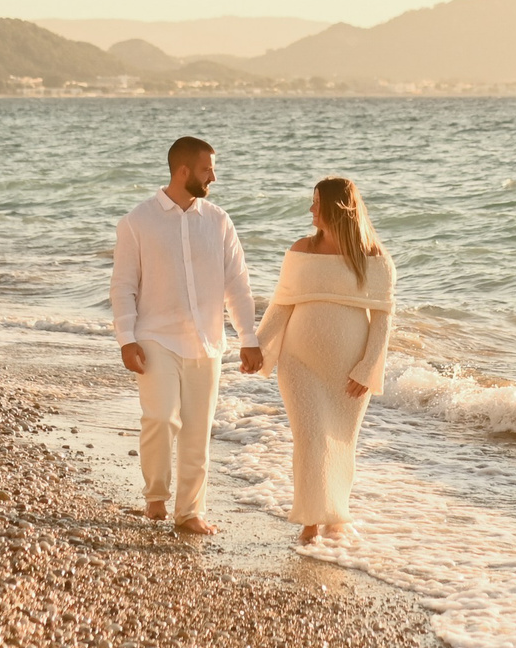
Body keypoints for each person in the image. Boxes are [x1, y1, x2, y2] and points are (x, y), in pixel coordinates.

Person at [109, 135, 262, 536]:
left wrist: (250, 337)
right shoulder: (137, 222)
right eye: (207, 168)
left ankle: (189, 512)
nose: (214, 175)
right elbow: (123, 286)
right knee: (160, 417)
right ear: (183, 171)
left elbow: (238, 285)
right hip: (155, 337)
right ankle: (155, 497)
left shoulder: (218, 221)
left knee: (197, 429)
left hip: (207, 341)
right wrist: (126, 338)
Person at [255, 176, 394, 544]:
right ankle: (311, 521)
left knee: (341, 440)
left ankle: (335, 516)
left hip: (349, 368)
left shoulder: (374, 258)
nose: (310, 209)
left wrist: (367, 368)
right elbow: (281, 305)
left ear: (337, 207)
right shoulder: (302, 249)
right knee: (311, 437)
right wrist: (256, 346)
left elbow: (382, 320)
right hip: (299, 361)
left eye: (316, 202)